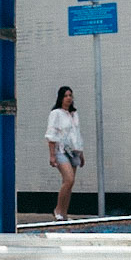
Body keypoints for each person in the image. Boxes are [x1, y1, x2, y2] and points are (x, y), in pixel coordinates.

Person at [45, 85, 84, 221]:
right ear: (61, 98)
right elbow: (51, 134)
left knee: (70, 183)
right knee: (69, 179)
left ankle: (64, 213)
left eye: (70, 96)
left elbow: (77, 134)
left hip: (74, 151)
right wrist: (52, 155)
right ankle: (58, 209)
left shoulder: (74, 114)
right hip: (61, 150)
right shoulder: (56, 113)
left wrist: (81, 153)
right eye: (66, 96)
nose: (68, 98)